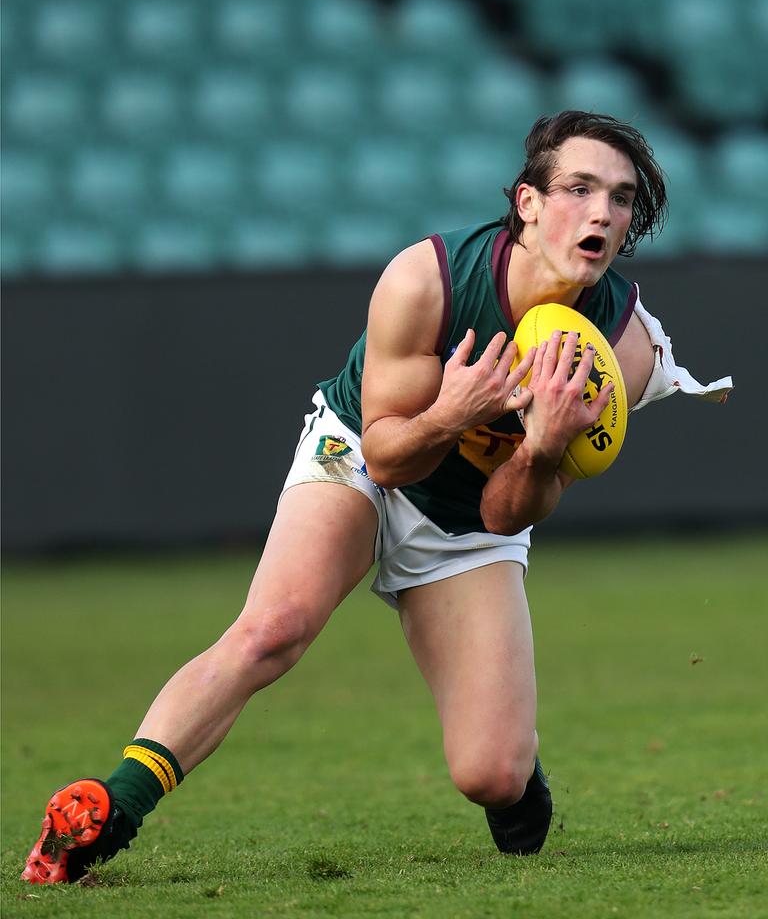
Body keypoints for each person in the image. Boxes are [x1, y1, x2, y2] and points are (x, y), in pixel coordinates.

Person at [22, 111, 731, 883]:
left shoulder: (620, 352)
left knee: (490, 775)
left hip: (467, 518)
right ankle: (108, 811)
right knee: (272, 630)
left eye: (621, 199)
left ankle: (520, 776)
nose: (602, 212)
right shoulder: (426, 279)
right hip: (363, 450)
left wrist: (543, 446)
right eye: (580, 189)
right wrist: (453, 412)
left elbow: (507, 513)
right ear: (527, 203)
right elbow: (389, 455)